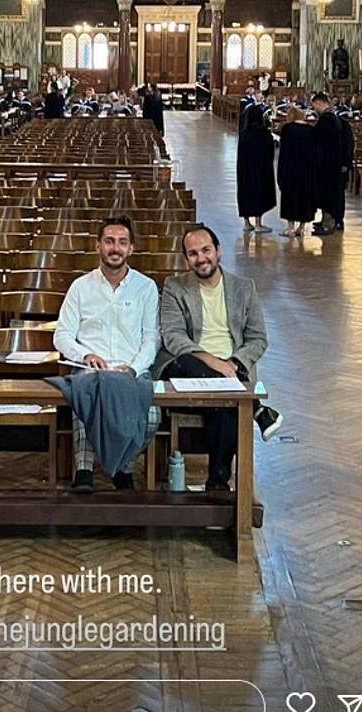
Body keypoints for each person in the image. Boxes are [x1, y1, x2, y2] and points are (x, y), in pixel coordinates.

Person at [153, 226, 283, 492]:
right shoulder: (174, 288)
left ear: (218, 251)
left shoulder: (244, 288)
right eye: (193, 253)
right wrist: (216, 364)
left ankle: (217, 485)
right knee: (202, 371)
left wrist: (232, 365)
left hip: (232, 370)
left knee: (225, 404)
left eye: (206, 250)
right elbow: (174, 338)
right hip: (185, 368)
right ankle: (257, 408)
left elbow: (258, 338)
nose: (201, 258)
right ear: (186, 259)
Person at [53, 216, 161, 493]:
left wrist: (135, 367)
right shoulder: (81, 286)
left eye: (122, 242)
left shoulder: (146, 287)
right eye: (109, 241)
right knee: (85, 398)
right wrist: (85, 354)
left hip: (131, 370)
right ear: (98, 246)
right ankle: (84, 470)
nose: (115, 248)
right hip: (91, 369)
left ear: (131, 248)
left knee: (151, 416)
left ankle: (122, 466)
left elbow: (151, 338)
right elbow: (62, 335)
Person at [311, 92, 347, 236]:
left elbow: (318, 142)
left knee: (328, 194)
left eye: (315, 106)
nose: (315, 110)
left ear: (320, 104)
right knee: (332, 194)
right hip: (335, 164)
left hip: (328, 165)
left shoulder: (326, 120)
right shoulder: (336, 119)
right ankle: (331, 220)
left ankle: (328, 224)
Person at [277, 106, 316, 237]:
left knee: (290, 197)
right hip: (307, 169)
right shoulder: (311, 130)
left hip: (291, 169)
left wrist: (280, 171)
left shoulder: (288, 130)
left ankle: (290, 227)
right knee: (305, 197)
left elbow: (284, 152)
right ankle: (302, 227)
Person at [237, 105, 276, 233]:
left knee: (245, 194)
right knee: (259, 192)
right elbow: (270, 150)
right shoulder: (263, 132)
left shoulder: (243, 133)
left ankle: (247, 222)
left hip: (245, 168)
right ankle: (259, 223)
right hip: (260, 169)